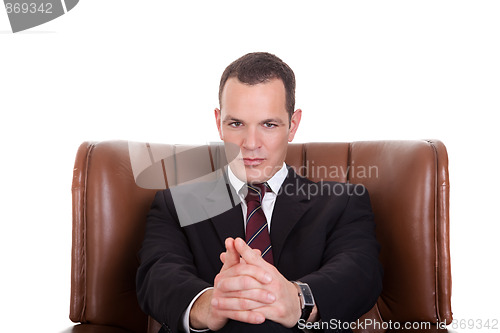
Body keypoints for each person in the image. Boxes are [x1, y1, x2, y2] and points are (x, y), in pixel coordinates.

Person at [136, 52, 383, 333]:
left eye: (269, 124)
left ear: (293, 124)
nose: (250, 144)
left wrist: (297, 299)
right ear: (218, 123)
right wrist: (211, 304)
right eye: (236, 123)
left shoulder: (342, 203)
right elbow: (157, 275)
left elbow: (361, 273)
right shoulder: (175, 204)